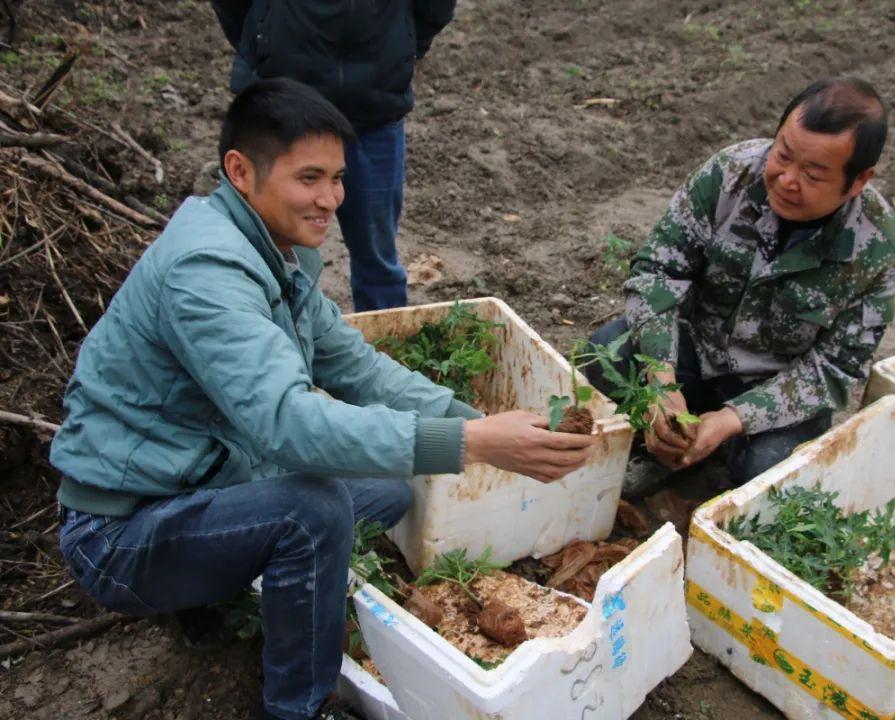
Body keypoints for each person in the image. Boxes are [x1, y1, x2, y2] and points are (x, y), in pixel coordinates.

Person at [51, 78, 596, 720]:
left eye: (337, 178)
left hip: (200, 483)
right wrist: (473, 444)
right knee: (310, 512)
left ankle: (222, 588)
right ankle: (299, 707)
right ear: (241, 171)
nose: (330, 199)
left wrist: (479, 426)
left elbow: (359, 369)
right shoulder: (207, 272)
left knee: (388, 488)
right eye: (309, 178)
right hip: (120, 534)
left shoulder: (279, 255)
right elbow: (286, 423)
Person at [586, 77, 895, 497]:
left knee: (773, 470)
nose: (787, 180)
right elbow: (657, 272)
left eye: (813, 174)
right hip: (695, 353)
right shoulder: (729, 175)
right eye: (783, 155)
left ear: (858, 180)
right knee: (606, 353)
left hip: (772, 384)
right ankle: (663, 443)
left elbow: (835, 369)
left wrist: (735, 418)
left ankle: (719, 459)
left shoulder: (879, 249)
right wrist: (661, 381)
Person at [209, 0, 457, 312]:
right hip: (280, 115)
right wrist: (263, 38)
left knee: (377, 258)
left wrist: (404, 45)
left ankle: (385, 348)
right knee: (260, 248)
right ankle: (261, 338)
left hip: (373, 110)